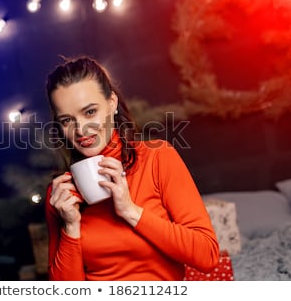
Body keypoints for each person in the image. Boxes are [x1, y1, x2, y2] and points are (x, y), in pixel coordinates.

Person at [43, 55, 219, 281]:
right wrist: (70, 226)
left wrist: (130, 210)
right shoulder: (60, 195)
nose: (81, 129)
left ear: (111, 103)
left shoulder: (157, 158)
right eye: (67, 120)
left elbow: (207, 255)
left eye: (89, 112)